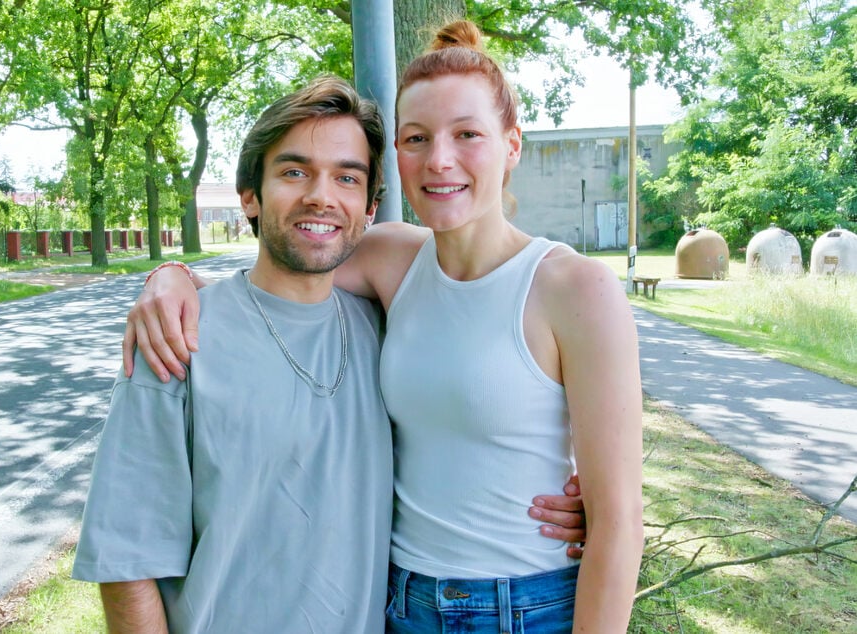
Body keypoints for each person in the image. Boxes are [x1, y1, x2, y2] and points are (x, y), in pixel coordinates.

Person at [76, 75, 585, 634]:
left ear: (369, 208)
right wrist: (167, 273)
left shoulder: (388, 328)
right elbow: (128, 562)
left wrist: (576, 497)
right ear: (250, 194)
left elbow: (481, 395)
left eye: (346, 177)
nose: (321, 195)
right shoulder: (176, 339)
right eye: (294, 172)